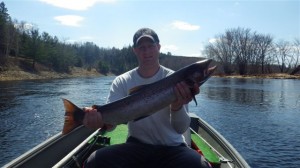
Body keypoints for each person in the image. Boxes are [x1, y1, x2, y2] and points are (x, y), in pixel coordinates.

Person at [83, 28, 210, 168]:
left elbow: (181, 129)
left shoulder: (176, 79)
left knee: (201, 166)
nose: (147, 51)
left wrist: (177, 106)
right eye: (141, 47)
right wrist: (99, 120)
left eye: (151, 46)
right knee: (94, 162)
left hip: (173, 148)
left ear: (158, 47)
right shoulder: (122, 81)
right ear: (135, 51)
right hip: (136, 146)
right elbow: (111, 125)